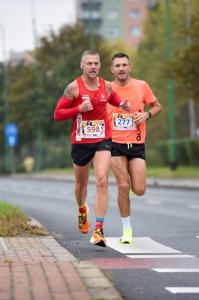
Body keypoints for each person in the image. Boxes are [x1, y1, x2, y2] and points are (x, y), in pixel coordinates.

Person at [54, 50, 131, 247]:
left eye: (96, 63)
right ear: (82, 66)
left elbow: (110, 98)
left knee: (103, 182)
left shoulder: (106, 85)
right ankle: (82, 210)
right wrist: (78, 109)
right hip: (80, 141)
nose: (93, 67)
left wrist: (121, 104)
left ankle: (98, 230)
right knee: (81, 185)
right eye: (89, 63)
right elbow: (58, 114)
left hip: (103, 138)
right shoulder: (73, 88)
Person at [107, 53, 162, 244]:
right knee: (123, 186)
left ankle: (131, 186)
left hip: (136, 144)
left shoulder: (141, 86)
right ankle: (127, 230)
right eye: (117, 66)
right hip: (114, 144)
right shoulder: (107, 88)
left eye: (124, 65)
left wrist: (146, 116)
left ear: (130, 68)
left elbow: (157, 106)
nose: (121, 68)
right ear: (112, 70)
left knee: (139, 190)